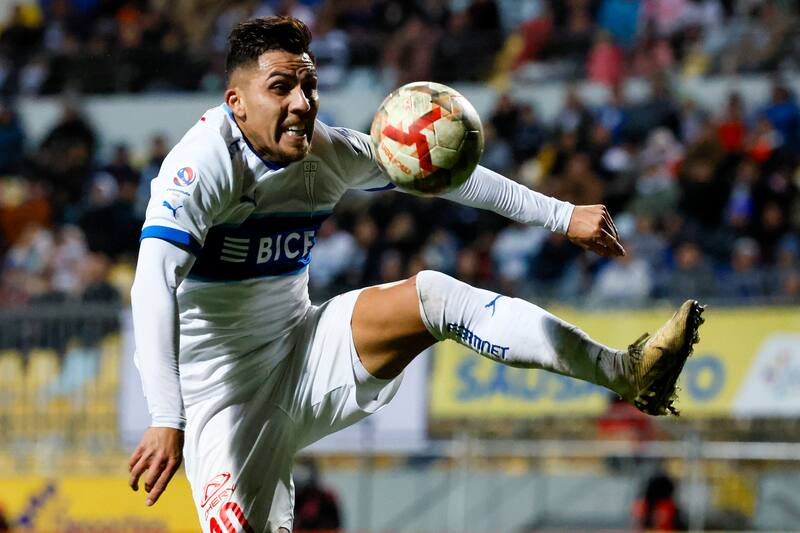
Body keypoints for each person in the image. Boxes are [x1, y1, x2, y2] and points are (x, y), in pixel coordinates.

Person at [127, 16, 705, 533]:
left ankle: (627, 374)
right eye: (281, 87)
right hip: (220, 401)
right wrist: (165, 417)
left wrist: (561, 215)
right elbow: (152, 284)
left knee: (434, 295)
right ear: (237, 102)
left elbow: (442, 172)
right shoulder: (200, 165)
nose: (303, 102)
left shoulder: (324, 151)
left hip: (301, 351)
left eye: (310, 86)